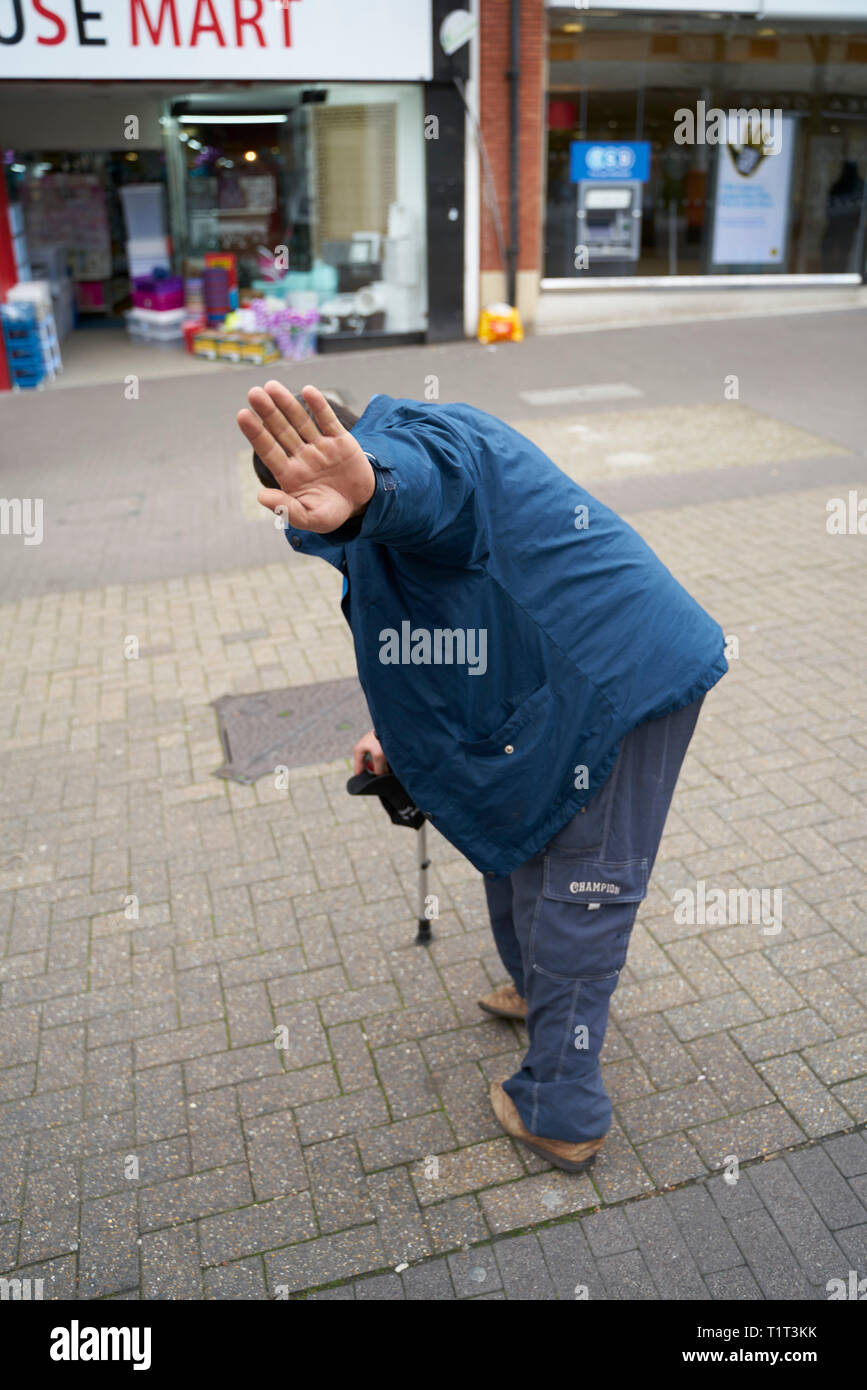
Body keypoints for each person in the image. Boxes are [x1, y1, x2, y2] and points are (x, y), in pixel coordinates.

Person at [239, 382, 727, 1173]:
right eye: (285, 498)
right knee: (515, 842)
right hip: (554, 677)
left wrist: (372, 486)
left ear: (348, 448)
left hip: (623, 678)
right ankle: (538, 995)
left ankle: (560, 1106)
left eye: (310, 487)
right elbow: (427, 625)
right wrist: (388, 730)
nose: (296, 510)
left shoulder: (425, 449)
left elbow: (430, 485)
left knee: (582, 888)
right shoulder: (373, 509)